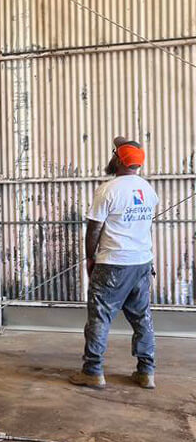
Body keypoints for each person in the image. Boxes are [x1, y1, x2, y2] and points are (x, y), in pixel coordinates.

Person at [70, 137, 159, 390]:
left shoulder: (108, 189)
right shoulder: (148, 190)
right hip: (142, 263)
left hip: (113, 264)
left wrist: (90, 258)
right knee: (142, 318)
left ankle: (93, 371)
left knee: (100, 316)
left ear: (118, 160)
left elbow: (94, 228)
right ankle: (146, 372)